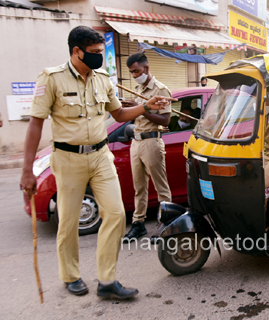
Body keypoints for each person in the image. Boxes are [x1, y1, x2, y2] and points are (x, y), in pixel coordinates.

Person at [19, 26, 174, 299]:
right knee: (68, 222)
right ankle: (70, 275)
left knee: (115, 214)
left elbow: (120, 114)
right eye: (94, 53)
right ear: (76, 51)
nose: (100, 57)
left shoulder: (102, 78)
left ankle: (107, 280)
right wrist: (27, 171)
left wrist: (147, 106)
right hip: (68, 158)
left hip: (101, 156)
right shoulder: (52, 78)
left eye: (101, 52)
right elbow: (35, 124)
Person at [121, 53, 172, 243]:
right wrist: (131, 108)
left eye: (136, 71)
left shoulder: (161, 90)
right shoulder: (138, 89)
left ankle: (165, 224)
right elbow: (136, 115)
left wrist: (142, 107)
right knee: (139, 188)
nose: (134, 75)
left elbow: (165, 119)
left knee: (161, 187)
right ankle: (138, 224)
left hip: (151, 141)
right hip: (136, 141)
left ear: (146, 68)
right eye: (131, 72)